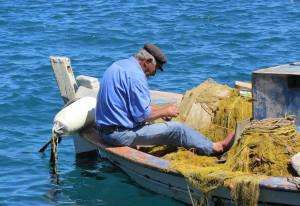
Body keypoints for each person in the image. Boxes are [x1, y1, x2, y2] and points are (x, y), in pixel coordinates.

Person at [95, 43, 235, 156]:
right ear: (147, 61)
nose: (154, 73)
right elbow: (141, 116)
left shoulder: (120, 65)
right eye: (156, 67)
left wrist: (162, 111)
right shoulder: (136, 76)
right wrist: (165, 111)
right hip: (118, 135)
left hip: (104, 129)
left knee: (162, 115)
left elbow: (132, 106)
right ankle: (216, 147)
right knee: (178, 129)